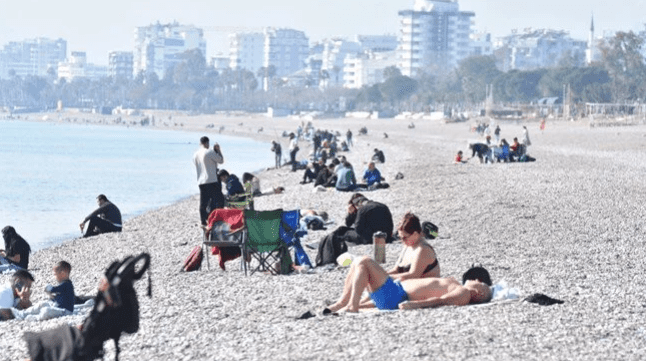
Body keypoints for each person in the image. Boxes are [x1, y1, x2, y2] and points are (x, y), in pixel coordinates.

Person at [326, 261, 492, 312]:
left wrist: (415, 305)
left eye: (482, 284)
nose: (477, 279)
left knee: (364, 262)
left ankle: (351, 306)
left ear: (479, 292)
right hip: (396, 292)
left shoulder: (464, 293)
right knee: (357, 264)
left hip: (396, 296)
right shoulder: (457, 285)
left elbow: (441, 301)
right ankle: (344, 304)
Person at [9, 261, 75, 321]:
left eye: (55, 275)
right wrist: (52, 298)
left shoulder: (67, 285)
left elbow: (55, 289)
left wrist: (49, 288)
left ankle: (35, 318)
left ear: (63, 274)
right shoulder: (63, 285)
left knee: (46, 310)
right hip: (57, 306)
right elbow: (59, 297)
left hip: (65, 311)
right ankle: (23, 313)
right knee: (42, 304)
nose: (55, 277)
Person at [193, 136, 224, 226]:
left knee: (204, 202)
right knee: (219, 200)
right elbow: (221, 160)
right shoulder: (209, 151)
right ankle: (217, 218)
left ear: (200, 143)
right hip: (211, 180)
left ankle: (203, 221)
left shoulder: (195, 154)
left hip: (201, 181)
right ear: (207, 143)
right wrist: (218, 150)